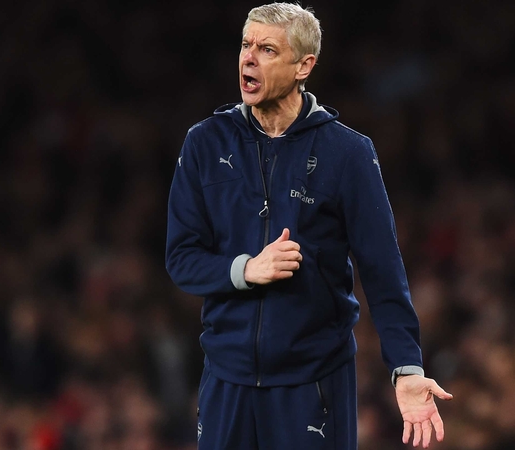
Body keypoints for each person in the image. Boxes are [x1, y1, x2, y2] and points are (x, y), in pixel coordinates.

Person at [165, 3, 453, 449]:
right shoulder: (204, 142)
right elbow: (181, 258)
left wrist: (407, 367)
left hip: (314, 383)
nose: (248, 58)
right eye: (245, 45)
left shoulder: (348, 152)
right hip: (226, 378)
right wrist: (245, 270)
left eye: (266, 49)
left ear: (304, 66)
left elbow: (382, 270)